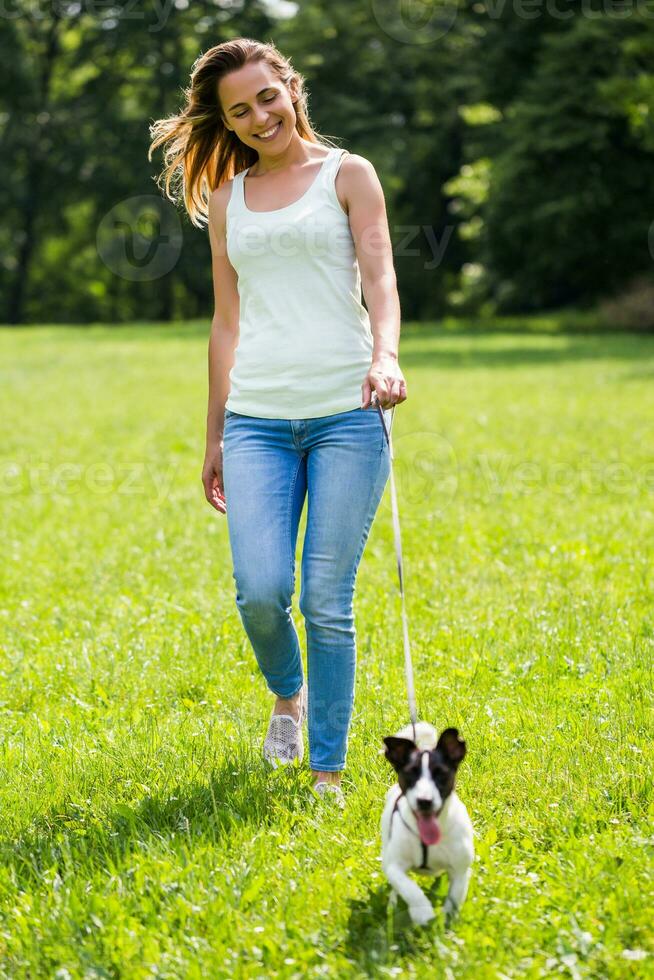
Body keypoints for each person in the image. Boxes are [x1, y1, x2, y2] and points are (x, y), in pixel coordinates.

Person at [148, 37, 407, 805]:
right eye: (239, 110)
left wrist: (386, 355)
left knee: (326, 599)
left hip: (348, 414)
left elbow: (381, 272)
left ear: (290, 88)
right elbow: (225, 324)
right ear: (224, 124)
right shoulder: (227, 201)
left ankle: (326, 767)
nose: (260, 115)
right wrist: (214, 433)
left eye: (267, 96)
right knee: (260, 591)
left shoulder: (348, 175)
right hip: (257, 419)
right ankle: (286, 697)